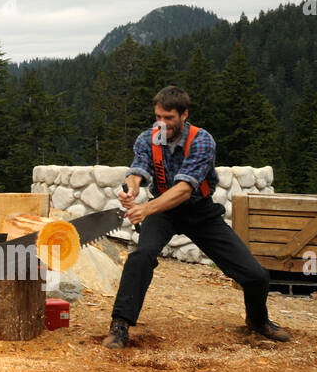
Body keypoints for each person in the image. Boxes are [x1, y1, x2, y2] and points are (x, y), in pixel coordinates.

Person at [103, 85, 289, 349]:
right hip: (162, 212)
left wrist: (145, 209)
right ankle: (120, 325)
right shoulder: (147, 138)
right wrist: (131, 189)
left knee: (256, 275)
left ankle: (258, 322)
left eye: (169, 118)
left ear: (184, 115)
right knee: (141, 257)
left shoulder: (202, 140)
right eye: (158, 117)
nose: (162, 124)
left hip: (199, 211)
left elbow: (184, 189)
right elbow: (138, 170)